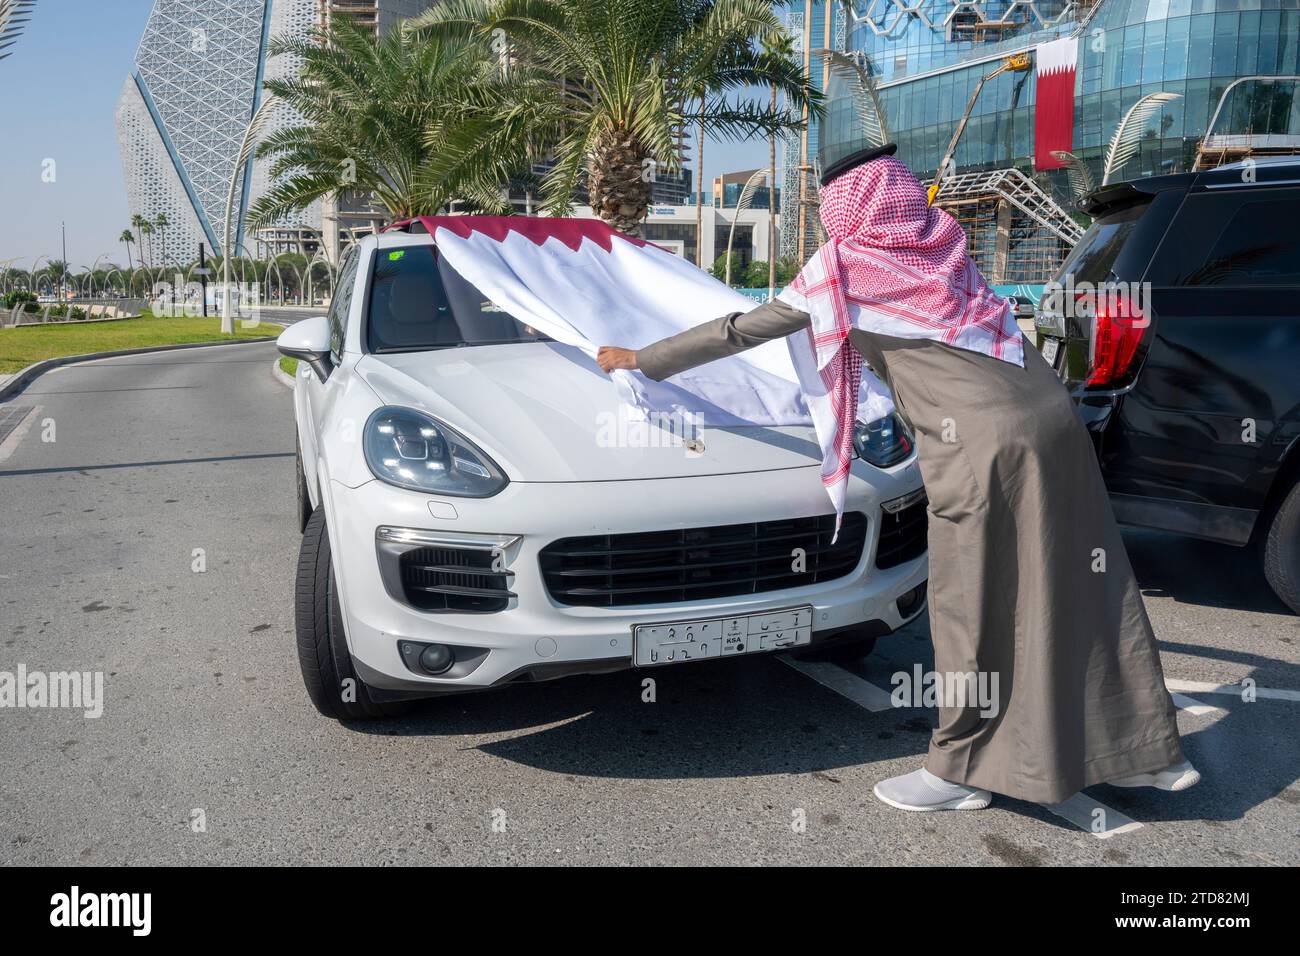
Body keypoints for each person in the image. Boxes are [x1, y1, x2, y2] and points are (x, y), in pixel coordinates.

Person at [596, 144, 1199, 810]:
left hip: (981, 445)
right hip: (1052, 421)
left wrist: (642, 359)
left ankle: (959, 770)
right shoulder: (941, 244)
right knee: (1085, 580)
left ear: (845, 208)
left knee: (969, 604)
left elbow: (747, 329)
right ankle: (1140, 752)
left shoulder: (846, 268)